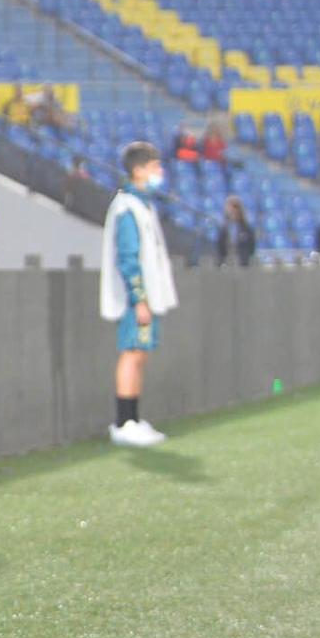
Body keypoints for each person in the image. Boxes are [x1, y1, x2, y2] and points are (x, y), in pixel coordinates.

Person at [103, 142, 177, 448]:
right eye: (154, 167)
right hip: (137, 299)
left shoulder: (143, 205)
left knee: (141, 354)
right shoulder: (127, 207)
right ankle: (123, 421)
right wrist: (139, 299)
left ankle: (134, 417)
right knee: (131, 353)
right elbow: (129, 257)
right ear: (138, 170)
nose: (160, 173)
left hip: (147, 297)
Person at [216, 195, 257, 265]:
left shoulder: (246, 228)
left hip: (243, 265)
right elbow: (220, 247)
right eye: (230, 207)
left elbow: (251, 247)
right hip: (227, 265)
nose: (233, 210)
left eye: (236, 207)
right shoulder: (223, 228)